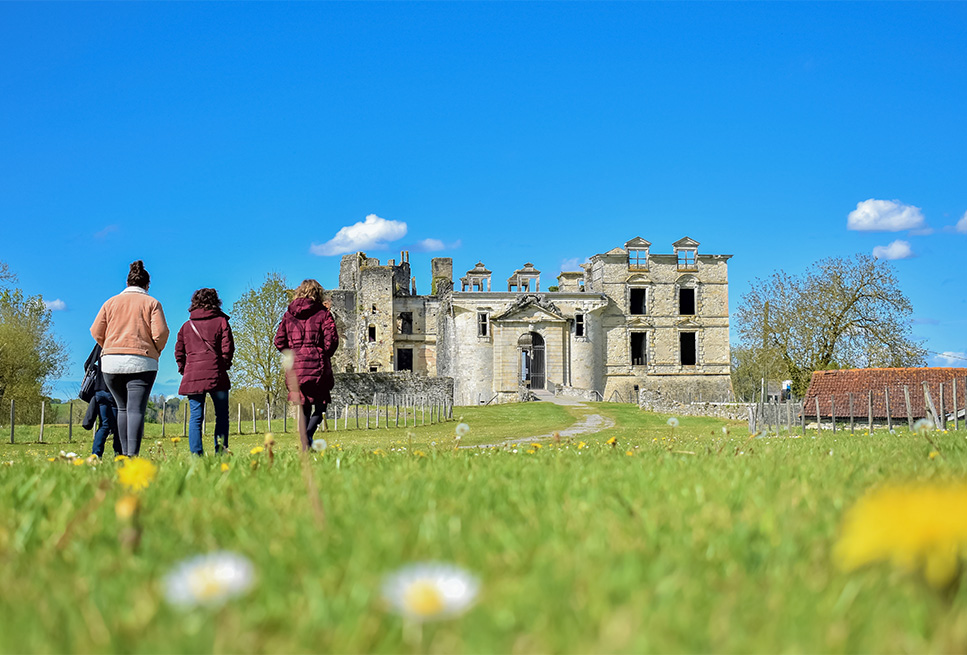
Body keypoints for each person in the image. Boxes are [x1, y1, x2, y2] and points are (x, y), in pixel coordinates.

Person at [90, 260, 169, 457]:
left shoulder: (110, 302)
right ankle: (132, 455)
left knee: (122, 408)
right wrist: (155, 350)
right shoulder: (152, 303)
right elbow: (161, 333)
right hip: (142, 361)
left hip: (111, 364)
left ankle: (123, 454)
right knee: (135, 410)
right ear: (147, 285)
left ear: (127, 283)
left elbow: (96, 331)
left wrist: (109, 346)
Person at [274, 279, 338, 451]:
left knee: (303, 405)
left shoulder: (289, 315)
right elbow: (331, 341)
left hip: (296, 367)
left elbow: (279, 341)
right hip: (318, 366)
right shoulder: (323, 314)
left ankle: (305, 443)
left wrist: (293, 353)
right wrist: (321, 353)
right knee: (320, 404)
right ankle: (308, 437)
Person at [174, 288, 235, 455]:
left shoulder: (186, 326)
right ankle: (221, 453)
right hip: (217, 374)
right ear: (216, 302)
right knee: (222, 416)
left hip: (192, 375)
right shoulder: (221, 322)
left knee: (195, 418)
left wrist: (184, 368)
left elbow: (178, 351)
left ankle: (196, 455)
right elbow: (228, 347)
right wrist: (223, 364)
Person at [83, 343, 122, 459]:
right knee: (118, 426)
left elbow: (87, 364)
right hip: (114, 391)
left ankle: (96, 455)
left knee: (105, 425)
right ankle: (119, 455)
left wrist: (99, 373)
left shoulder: (101, 343)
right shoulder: (118, 341)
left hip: (99, 390)